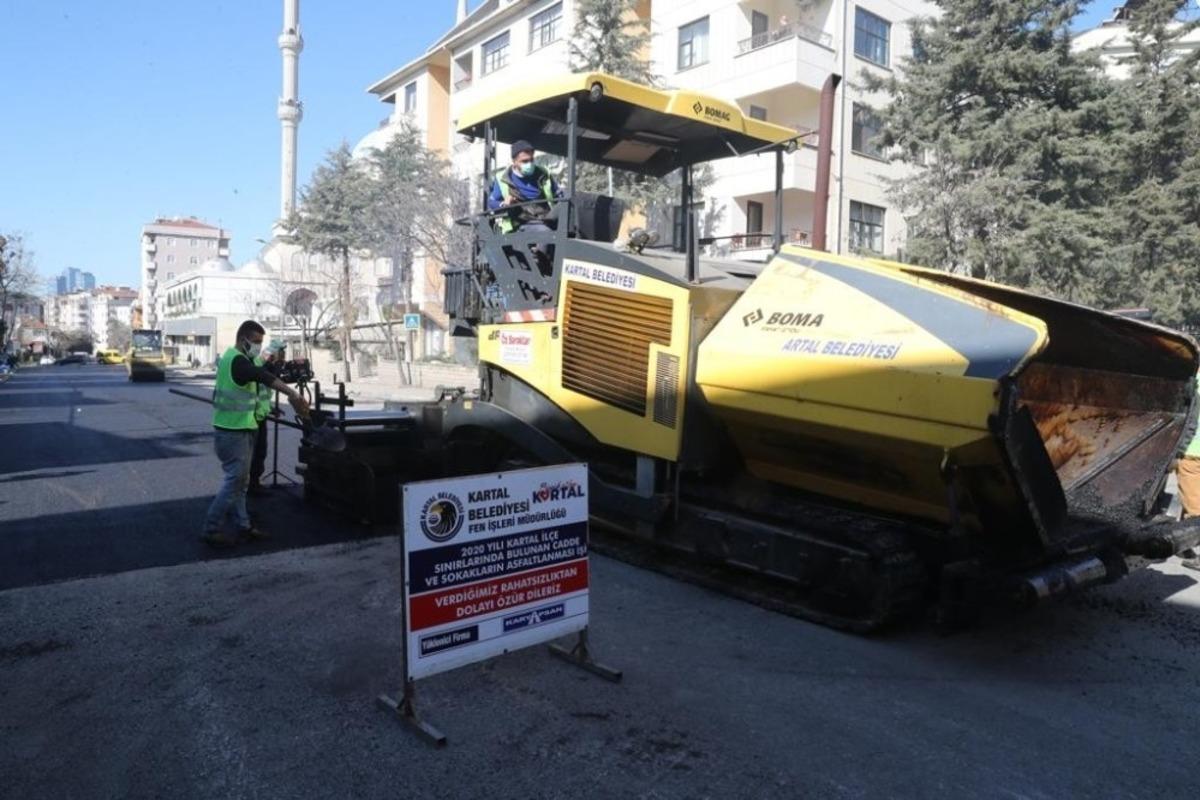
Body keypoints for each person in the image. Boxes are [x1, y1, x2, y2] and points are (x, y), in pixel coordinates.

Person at [203, 321, 309, 548]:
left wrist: (267, 408)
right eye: (256, 342)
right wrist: (292, 393)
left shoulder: (232, 358)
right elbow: (264, 378)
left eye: (261, 342)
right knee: (234, 482)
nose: (259, 346)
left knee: (241, 484)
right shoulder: (238, 361)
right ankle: (211, 528)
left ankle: (244, 525)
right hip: (233, 432)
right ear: (244, 340)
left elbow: (255, 381)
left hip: (239, 428)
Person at [487, 139, 563, 234]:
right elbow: (491, 202)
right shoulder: (502, 179)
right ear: (514, 161)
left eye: (531, 160)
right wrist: (504, 204)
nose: (529, 164)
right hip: (522, 223)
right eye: (524, 161)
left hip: (547, 218)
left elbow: (559, 196)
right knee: (545, 232)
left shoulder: (543, 173)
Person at [248, 340, 287, 495]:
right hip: (251, 417)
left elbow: (262, 394)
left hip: (261, 415)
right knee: (252, 453)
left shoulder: (266, 367)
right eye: (277, 358)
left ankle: (254, 483)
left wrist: (270, 408)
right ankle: (248, 485)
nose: (278, 362)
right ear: (269, 355)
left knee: (260, 451)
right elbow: (253, 391)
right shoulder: (255, 366)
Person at [1176, 392, 1200, 570]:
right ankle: (1182, 544)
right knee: (1189, 499)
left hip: (1193, 453)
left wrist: (1179, 448)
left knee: (1194, 508)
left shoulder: (1195, 382)